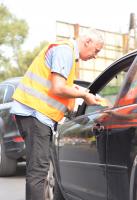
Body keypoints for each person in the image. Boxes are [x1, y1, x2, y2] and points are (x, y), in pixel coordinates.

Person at [10, 28, 104, 200]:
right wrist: (84, 95)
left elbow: (60, 88)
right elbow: (58, 88)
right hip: (35, 114)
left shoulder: (67, 53)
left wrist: (82, 94)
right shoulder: (65, 51)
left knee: (37, 168)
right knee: (38, 170)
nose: (95, 55)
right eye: (96, 50)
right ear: (87, 42)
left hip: (35, 114)